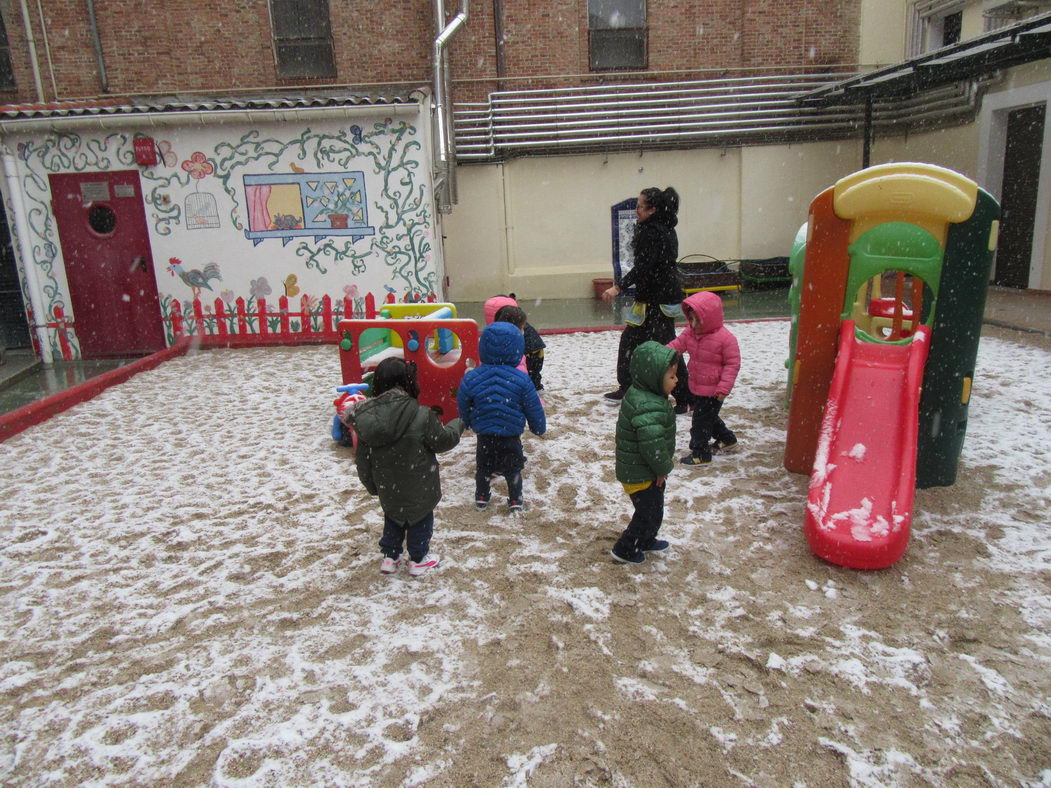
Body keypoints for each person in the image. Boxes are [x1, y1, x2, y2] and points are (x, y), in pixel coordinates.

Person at [347, 357, 464, 577]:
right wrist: (457, 424)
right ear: (409, 383)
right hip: (419, 483)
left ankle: (390, 556)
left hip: (387, 484)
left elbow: (363, 459)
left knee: (393, 516)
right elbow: (442, 441)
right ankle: (418, 558)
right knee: (420, 518)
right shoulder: (421, 414)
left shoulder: (367, 420)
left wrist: (372, 485)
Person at [602, 186, 689, 413]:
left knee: (667, 349)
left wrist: (618, 287)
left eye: (640, 206)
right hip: (652, 298)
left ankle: (685, 396)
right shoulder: (661, 227)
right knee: (630, 341)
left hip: (658, 300)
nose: (636, 210)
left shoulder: (653, 231)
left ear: (652, 209)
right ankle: (628, 386)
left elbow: (644, 267)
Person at [457, 320, 546, 512]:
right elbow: (533, 406)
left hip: (485, 433)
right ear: (517, 349)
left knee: (483, 467)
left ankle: (481, 496)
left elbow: (463, 399)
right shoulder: (521, 379)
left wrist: (466, 420)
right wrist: (538, 427)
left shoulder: (473, 377)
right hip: (510, 434)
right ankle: (515, 499)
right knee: (513, 468)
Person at [611, 341, 680, 564]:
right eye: (671, 377)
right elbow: (651, 446)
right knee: (647, 513)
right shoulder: (648, 405)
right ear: (653, 378)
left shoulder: (646, 394)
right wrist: (662, 469)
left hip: (642, 470)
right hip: (641, 473)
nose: (676, 381)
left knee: (655, 509)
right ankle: (625, 548)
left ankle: (647, 539)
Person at [667, 290, 741, 466]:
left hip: (714, 390)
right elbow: (676, 346)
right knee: (709, 417)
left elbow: (732, 365)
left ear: (710, 318)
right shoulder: (690, 333)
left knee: (700, 423)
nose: (693, 324)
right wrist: (661, 353)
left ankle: (701, 454)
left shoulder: (726, 339)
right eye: (690, 319)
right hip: (697, 385)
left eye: (697, 320)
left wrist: (724, 388)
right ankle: (728, 439)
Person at [485, 293, 545, 391]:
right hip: (535, 350)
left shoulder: (504, 330)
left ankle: (535, 389)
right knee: (532, 376)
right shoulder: (515, 320)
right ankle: (535, 388)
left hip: (531, 351)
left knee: (530, 377)